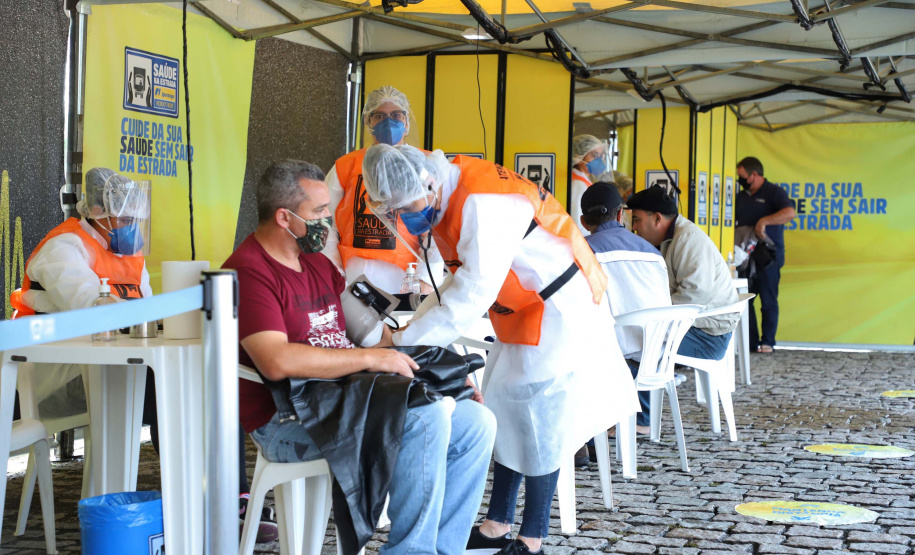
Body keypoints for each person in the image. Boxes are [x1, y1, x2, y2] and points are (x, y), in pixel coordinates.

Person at [361, 145, 639, 555]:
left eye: (406, 207)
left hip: (561, 307)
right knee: (502, 407)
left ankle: (532, 538)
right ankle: (496, 524)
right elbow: (448, 284)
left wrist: (402, 343)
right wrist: (408, 332)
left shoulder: (484, 201)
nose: (404, 217)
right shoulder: (443, 196)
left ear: (428, 182)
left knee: (542, 418)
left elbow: (471, 294)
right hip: (523, 306)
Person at [222, 159, 495, 554]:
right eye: (319, 213)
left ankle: (443, 549)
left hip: (344, 400)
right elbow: (276, 360)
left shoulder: (318, 265)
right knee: (425, 418)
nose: (328, 225)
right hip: (288, 421)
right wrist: (368, 360)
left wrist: (441, 376)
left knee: (475, 421)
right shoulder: (248, 273)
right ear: (284, 217)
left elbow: (375, 336)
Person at [322, 85, 443, 300]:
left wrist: (427, 279)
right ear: (368, 121)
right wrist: (333, 270)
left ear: (407, 121)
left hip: (407, 277)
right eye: (379, 116)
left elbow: (437, 228)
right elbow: (324, 221)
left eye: (396, 115)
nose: (388, 122)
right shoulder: (346, 165)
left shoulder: (425, 164)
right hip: (353, 275)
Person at [579, 183, 671, 436]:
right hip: (656, 358)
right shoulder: (653, 253)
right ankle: (640, 417)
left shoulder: (581, 251)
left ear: (584, 221)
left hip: (612, 363)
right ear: (621, 215)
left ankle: (593, 424)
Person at [627, 186, 740, 361]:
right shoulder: (672, 238)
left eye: (636, 220)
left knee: (630, 343)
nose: (634, 227)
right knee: (631, 336)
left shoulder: (688, 239)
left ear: (657, 218)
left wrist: (653, 315)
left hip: (708, 337)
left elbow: (695, 295)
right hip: (698, 327)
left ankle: (646, 386)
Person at [735, 157, 796, 353]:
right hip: (745, 257)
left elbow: (790, 213)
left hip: (767, 256)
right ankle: (750, 343)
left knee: (768, 301)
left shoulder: (774, 192)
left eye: (743, 176)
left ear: (754, 174)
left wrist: (764, 221)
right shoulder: (740, 196)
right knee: (746, 300)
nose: (740, 180)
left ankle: (768, 342)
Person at [570, 134, 608, 236]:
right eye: (594, 155)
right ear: (579, 156)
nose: (598, 160)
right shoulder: (578, 184)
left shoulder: (582, 180)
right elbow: (577, 223)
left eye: (600, 156)